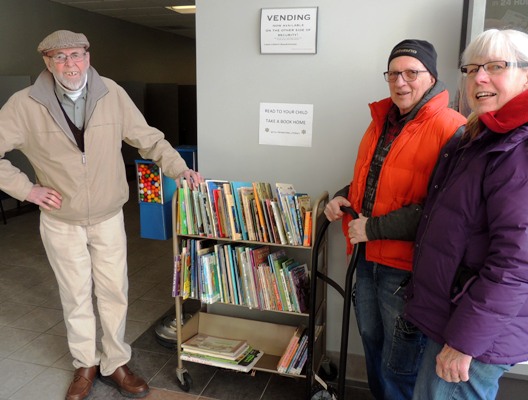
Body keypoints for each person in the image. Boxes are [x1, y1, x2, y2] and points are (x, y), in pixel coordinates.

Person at [0, 30, 202, 400]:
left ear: (88, 57)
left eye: (76, 55)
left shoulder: (111, 93)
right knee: (75, 295)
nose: (70, 64)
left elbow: (149, 139)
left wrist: (179, 169)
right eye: (60, 57)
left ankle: (114, 363)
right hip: (61, 221)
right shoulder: (24, 103)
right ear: (47, 61)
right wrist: (26, 189)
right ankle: (85, 364)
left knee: (114, 292)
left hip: (108, 216)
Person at [324, 39, 466, 399]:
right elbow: (371, 180)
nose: (401, 82)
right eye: (393, 74)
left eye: (411, 73)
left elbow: (442, 211)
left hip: (406, 271)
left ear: (431, 77)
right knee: (372, 345)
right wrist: (345, 196)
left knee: (398, 366)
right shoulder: (381, 122)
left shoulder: (452, 128)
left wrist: (372, 228)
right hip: (367, 260)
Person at [404, 29, 528, 400]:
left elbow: (516, 264)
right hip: (456, 316)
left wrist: (464, 342)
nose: (479, 78)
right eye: (472, 68)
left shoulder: (517, 149)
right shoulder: (480, 135)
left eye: (495, 66)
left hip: (475, 332)